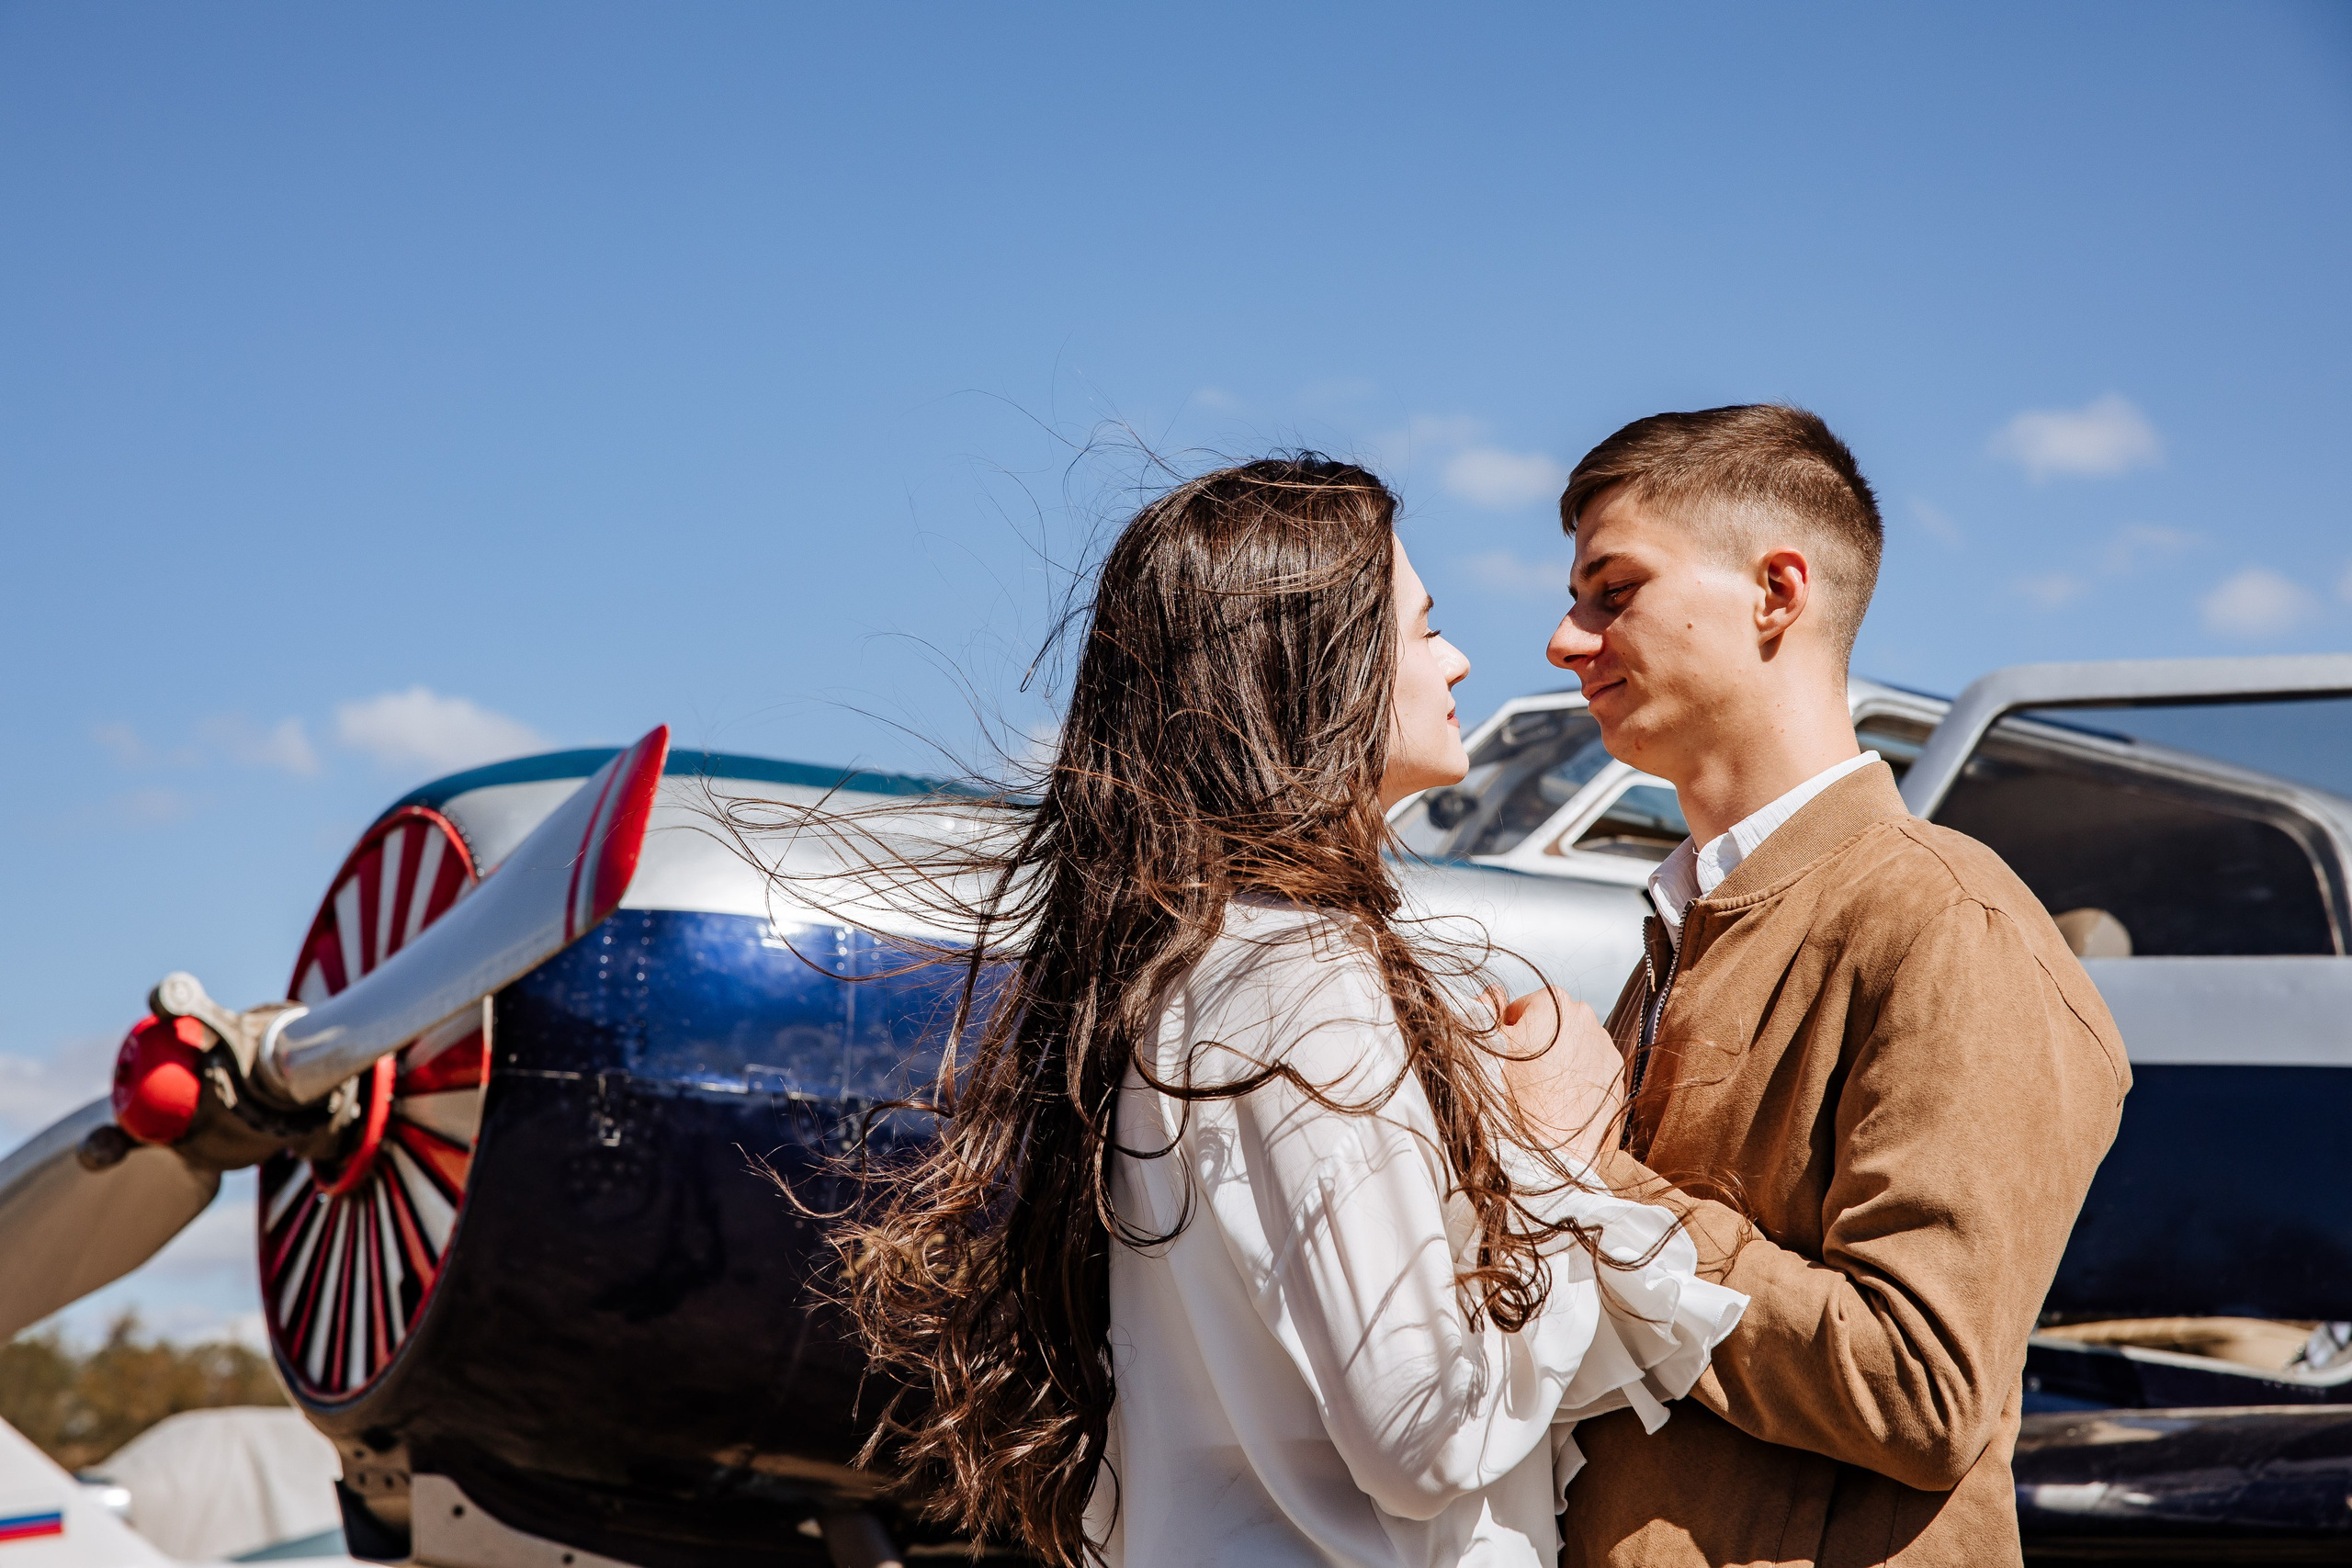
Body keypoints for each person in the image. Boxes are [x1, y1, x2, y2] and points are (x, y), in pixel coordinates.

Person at [831, 457, 1745, 1568]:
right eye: (1424, 629)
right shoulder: (1303, 984)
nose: (1459, 661)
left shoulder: (1200, 971)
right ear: (1317, 668)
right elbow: (1421, 1436)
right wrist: (1560, 1149)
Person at [1534, 406, 2132, 1567]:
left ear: (1776, 592)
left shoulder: (1947, 923)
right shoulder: (1690, 921)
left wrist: (1580, 1184)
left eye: (1613, 590)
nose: (1566, 639)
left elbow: (1918, 1388)